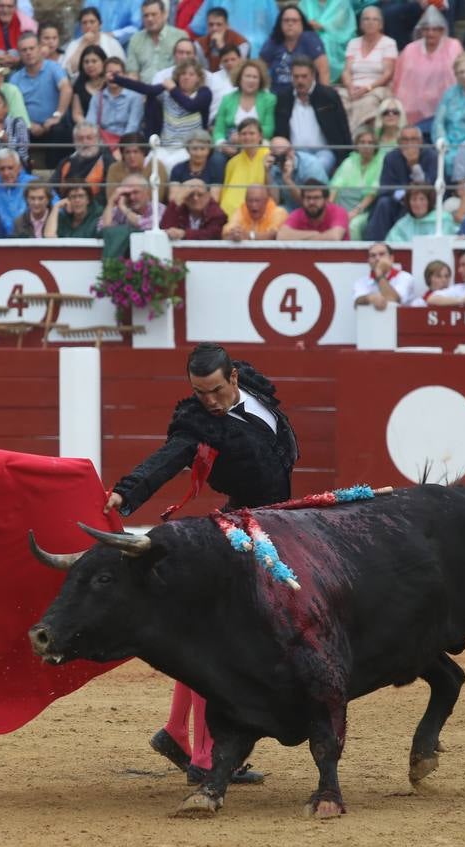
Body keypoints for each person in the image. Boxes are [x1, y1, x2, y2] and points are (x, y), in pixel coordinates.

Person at [109, 342, 295, 788]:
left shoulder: (254, 388)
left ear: (233, 378)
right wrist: (126, 493)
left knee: (211, 636)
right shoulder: (197, 425)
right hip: (240, 532)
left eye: (214, 391)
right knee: (221, 641)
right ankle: (209, 758)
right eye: (198, 393)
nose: (207, 401)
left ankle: (178, 732)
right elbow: (167, 460)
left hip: (276, 524)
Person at [274, 56, 349, 175]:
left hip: (324, 151)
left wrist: (345, 157)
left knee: (316, 167)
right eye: (296, 77)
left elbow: (343, 127)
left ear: (313, 75)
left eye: (304, 76)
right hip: (294, 152)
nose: (300, 81)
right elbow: (279, 130)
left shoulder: (328, 96)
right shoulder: (284, 98)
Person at [391, 6, 460, 131]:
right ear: (421, 31)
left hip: (446, 104)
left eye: (435, 29)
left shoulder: (454, 46)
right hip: (414, 107)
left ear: (442, 30)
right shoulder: (410, 49)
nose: (430, 33)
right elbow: (400, 80)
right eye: (426, 29)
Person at [10, 31, 71, 166]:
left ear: (39, 49)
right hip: (28, 127)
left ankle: (53, 176)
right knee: (14, 130)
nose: (28, 53)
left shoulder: (54, 68)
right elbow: (12, 108)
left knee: (60, 130)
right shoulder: (15, 78)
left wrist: (57, 116)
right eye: (24, 50)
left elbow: (66, 88)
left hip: (53, 124)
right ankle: (23, 175)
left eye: (32, 48)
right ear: (19, 54)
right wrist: (29, 124)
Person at [362, 124, 432, 240]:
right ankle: (375, 244)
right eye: (405, 140)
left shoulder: (431, 156)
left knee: (415, 203)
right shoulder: (391, 157)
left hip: (424, 202)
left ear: (420, 141)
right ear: (399, 142)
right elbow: (385, 188)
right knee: (383, 203)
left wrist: (414, 165)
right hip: (397, 200)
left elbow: (430, 187)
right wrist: (405, 196)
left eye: (413, 139)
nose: (409, 143)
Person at [259, 3, 328, 90]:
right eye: (286, 20)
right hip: (277, 95)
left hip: (306, 95)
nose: (290, 24)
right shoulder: (274, 40)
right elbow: (260, 68)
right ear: (280, 23)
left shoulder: (311, 39)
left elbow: (323, 70)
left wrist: (325, 96)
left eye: (294, 20)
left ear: (302, 24)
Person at [213, 57, 275, 146]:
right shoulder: (227, 99)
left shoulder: (269, 99)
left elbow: (269, 129)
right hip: (231, 142)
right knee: (217, 160)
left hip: (257, 143)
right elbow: (218, 131)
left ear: (260, 80)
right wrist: (222, 145)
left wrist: (243, 136)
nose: (251, 80)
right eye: (247, 76)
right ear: (239, 78)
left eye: (255, 77)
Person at [127, 0, 190, 83]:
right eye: (146, 15)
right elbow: (132, 73)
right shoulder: (136, 39)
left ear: (164, 14)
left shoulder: (180, 36)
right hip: (143, 91)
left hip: (172, 90)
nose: (150, 19)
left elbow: (187, 68)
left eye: (154, 14)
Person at [264, 135, 325, 212]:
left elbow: (312, 202)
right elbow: (275, 201)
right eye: (279, 155)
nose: (286, 157)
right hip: (289, 208)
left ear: (292, 150)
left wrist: (288, 181)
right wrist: (267, 173)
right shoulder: (273, 165)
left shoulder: (311, 165)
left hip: (314, 209)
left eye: (287, 151)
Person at [63, 6, 124, 79]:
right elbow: (69, 70)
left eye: (92, 22)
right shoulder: (74, 44)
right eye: (84, 23)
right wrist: (83, 44)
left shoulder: (112, 43)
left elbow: (122, 68)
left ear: (100, 24)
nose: (88, 26)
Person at [0, 147, 37, 225]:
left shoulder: (33, 183)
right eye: (2, 169)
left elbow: (53, 206)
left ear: (19, 167)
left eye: (10, 168)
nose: (6, 173)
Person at [353, 241, 416, 310]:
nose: (377, 259)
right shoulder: (361, 281)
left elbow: (393, 300)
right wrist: (370, 298)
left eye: (382, 254)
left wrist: (379, 274)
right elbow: (357, 302)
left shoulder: (405, 277)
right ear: (369, 261)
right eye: (373, 256)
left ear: (391, 258)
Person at [277, 180, 348, 239]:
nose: (311, 202)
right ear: (302, 200)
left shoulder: (338, 212)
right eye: (308, 198)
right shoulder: (298, 214)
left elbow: (334, 237)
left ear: (326, 200)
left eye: (316, 198)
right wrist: (314, 234)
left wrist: (302, 238)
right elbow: (281, 236)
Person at [160, 177, 226, 239]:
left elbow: (213, 234)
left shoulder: (216, 212)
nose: (195, 198)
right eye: (190, 194)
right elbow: (165, 229)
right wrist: (177, 200)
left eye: (200, 194)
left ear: (208, 195)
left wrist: (184, 234)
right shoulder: (179, 207)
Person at [169, 130, 224, 203]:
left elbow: (214, 199)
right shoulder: (178, 169)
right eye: (194, 149)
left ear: (209, 150)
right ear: (188, 150)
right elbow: (173, 199)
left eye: (202, 149)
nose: (199, 153)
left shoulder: (215, 170)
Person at [386, 182, 453, 240]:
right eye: (414, 199)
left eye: (422, 199)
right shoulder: (403, 224)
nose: (418, 203)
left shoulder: (443, 220)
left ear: (429, 201)